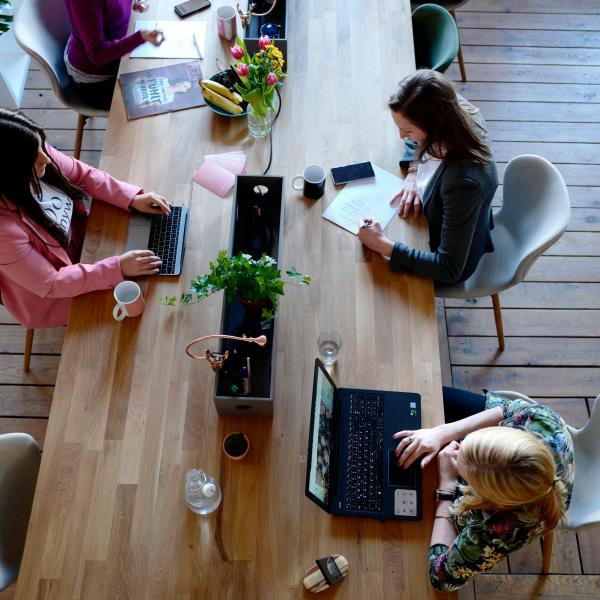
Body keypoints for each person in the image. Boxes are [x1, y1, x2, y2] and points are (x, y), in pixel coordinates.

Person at [0, 109, 169, 329]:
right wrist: (116, 267)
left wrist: (131, 198)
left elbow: (83, 175)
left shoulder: (32, 149)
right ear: (10, 172)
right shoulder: (4, 233)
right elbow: (52, 283)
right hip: (57, 295)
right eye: (36, 156)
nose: (47, 159)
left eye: (42, 146)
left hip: (89, 246)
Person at [393, 387, 573, 591]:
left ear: (491, 500)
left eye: (467, 476)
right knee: (431, 396)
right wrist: (440, 433)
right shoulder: (541, 420)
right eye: (467, 444)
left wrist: (447, 486)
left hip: (512, 512)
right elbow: (505, 409)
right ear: (506, 433)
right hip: (536, 476)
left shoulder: (494, 533)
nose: (455, 447)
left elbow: (441, 578)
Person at [357, 69, 498, 284]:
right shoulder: (449, 108)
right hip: (431, 217)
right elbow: (416, 142)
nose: (402, 136)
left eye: (408, 131)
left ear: (435, 128)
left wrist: (382, 245)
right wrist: (414, 171)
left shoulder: (464, 183)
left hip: (444, 255)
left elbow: (449, 268)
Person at [64, 0, 164, 110]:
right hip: (96, 83)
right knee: (155, 107)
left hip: (118, 56)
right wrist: (140, 37)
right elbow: (97, 54)